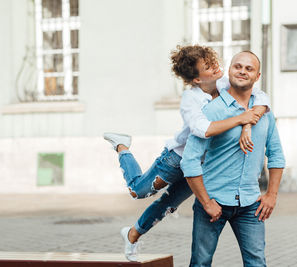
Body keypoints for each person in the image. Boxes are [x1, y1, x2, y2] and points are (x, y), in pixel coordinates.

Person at [103, 45, 270, 261]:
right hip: (177, 159)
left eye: (214, 61)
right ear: (198, 79)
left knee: (168, 205)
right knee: (138, 191)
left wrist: (248, 123)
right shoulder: (191, 100)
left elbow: (261, 97)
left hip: (201, 165)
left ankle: (132, 234)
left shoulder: (224, 83)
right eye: (209, 67)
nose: (216, 67)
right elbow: (204, 130)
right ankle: (122, 147)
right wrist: (241, 119)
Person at [180, 51, 285, 267]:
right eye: (238, 66)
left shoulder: (264, 112)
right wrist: (206, 201)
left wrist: (272, 195)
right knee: (200, 263)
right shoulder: (211, 111)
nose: (242, 71)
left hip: (250, 204)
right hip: (214, 201)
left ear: (258, 76)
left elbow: (276, 155)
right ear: (229, 71)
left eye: (249, 68)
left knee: (257, 263)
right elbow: (189, 161)